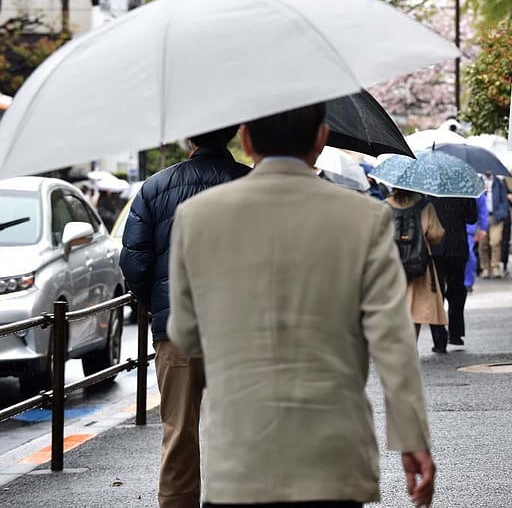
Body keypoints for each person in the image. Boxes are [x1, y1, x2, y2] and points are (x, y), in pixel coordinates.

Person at [167, 104, 435, 508]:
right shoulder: (364, 218)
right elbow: (393, 341)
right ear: (321, 138)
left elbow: (185, 334)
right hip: (332, 456)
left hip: (239, 457)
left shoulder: (197, 217)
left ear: (245, 140)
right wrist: (411, 438)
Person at [118, 126, 251, 508]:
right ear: (231, 136)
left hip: (177, 326)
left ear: (188, 139)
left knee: (178, 431)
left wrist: (157, 305)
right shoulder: (251, 184)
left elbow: (135, 264)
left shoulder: (155, 188)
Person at [386, 188, 447, 344]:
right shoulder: (425, 205)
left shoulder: (384, 206)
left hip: (390, 264)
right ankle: (410, 346)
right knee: (415, 308)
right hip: (418, 264)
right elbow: (436, 234)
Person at [429, 197, 478, 351]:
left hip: (436, 246)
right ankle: (455, 333)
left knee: (436, 292)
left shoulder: (429, 188)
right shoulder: (463, 189)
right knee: (457, 290)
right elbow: (472, 219)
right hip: (457, 246)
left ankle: (439, 337)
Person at [479, 171, 510, 278]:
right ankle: (485, 267)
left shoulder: (498, 182)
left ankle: (495, 266)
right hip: (482, 216)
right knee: (483, 244)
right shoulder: (479, 181)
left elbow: (504, 200)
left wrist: (502, 213)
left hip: (495, 216)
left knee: (495, 242)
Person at [465, 192, 489, 292]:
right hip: (453, 227)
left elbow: (482, 209)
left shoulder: (475, 189)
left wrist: (483, 227)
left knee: (469, 254)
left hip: (468, 229)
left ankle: (467, 282)